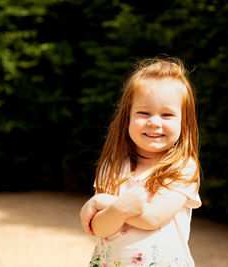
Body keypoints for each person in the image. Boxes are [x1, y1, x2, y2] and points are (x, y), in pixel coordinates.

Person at [80, 56, 201, 267]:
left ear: (184, 122)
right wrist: (118, 209)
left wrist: (106, 203)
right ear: (127, 116)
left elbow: (153, 218)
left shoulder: (181, 169)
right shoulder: (114, 165)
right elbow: (99, 228)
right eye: (144, 113)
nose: (154, 122)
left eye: (167, 115)